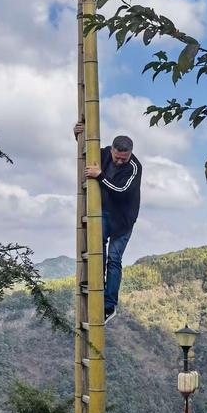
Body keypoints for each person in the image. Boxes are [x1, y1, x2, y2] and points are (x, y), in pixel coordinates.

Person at [74, 123, 142, 324]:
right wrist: (77, 134)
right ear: (111, 150)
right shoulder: (102, 154)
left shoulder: (134, 168)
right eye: (117, 157)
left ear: (130, 154)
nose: (120, 161)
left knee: (114, 259)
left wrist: (100, 175)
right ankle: (96, 284)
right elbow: (86, 151)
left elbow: (121, 190)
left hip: (124, 220)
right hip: (103, 213)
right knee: (97, 250)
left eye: (124, 158)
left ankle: (109, 304)